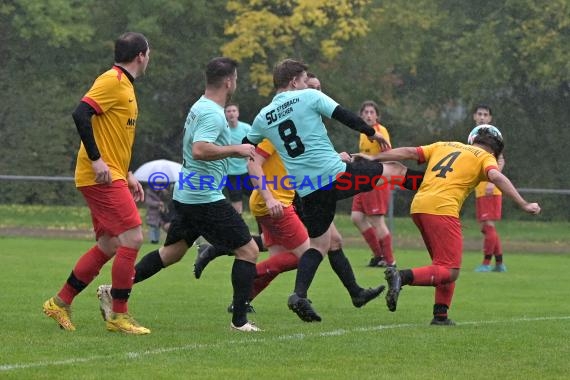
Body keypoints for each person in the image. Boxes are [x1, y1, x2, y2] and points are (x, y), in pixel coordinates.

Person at [244, 59, 423, 322]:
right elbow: (344, 115)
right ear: (294, 81)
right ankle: (433, 185)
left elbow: (245, 148)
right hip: (334, 176)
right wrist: (371, 132)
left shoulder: (262, 117)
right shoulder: (308, 96)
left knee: (320, 244)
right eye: (304, 79)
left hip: (306, 191)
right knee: (394, 168)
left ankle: (300, 295)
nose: (307, 84)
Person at [98, 57, 261, 333]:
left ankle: (114, 290)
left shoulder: (200, 105)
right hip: (203, 197)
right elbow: (200, 149)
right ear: (229, 82)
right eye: (236, 78)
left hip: (188, 193)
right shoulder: (211, 112)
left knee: (171, 253)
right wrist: (236, 149)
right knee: (249, 250)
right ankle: (239, 322)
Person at [354, 125, 540, 325]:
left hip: (419, 206)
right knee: (451, 270)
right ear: (495, 151)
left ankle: (440, 316)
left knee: (441, 265)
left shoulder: (445, 145)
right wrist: (523, 203)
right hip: (442, 209)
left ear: (473, 139)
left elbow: (408, 152)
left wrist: (374, 158)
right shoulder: (485, 157)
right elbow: (495, 176)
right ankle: (401, 277)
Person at [42, 32, 152, 335]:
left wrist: (127, 173)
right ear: (141, 55)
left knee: (110, 244)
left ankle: (59, 302)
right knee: (133, 238)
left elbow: (114, 137)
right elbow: (80, 113)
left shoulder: (125, 86)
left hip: (112, 173)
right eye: (148, 53)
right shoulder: (112, 80)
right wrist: (96, 159)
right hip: (99, 175)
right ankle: (119, 315)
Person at [351, 100, 396, 268]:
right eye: (366, 112)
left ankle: (390, 261)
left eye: (372, 112)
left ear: (377, 115)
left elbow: (389, 155)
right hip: (363, 179)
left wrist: (370, 160)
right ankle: (378, 255)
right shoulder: (363, 132)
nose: (369, 115)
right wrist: (358, 157)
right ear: (361, 115)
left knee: (377, 221)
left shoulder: (380, 131)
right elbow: (367, 154)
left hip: (376, 180)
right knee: (357, 217)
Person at [472, 104, 507, 272]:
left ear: (490, 119)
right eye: (479, 114)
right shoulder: (474, 138)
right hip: (480, 188)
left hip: (490, 188)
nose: (482, 117)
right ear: (474, 117)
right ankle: (499, 264)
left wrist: (492, 182)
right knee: (486, 226)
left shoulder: (493, 138)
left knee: (488, 225)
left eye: (485, 115)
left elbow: (500, 161)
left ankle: (486, 264)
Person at [224, 103, 253, 214]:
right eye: (229, 111)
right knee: (236, 202)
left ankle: (262, 230)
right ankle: (240, 230)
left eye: (234, 110)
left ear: (238, 113)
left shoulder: (246, 128)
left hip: (247, 171)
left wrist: (249, 162)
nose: (231, 113)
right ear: (225, 114)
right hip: (231, 173)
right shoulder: (223, 130)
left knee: (256, 200)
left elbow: (254, 147)